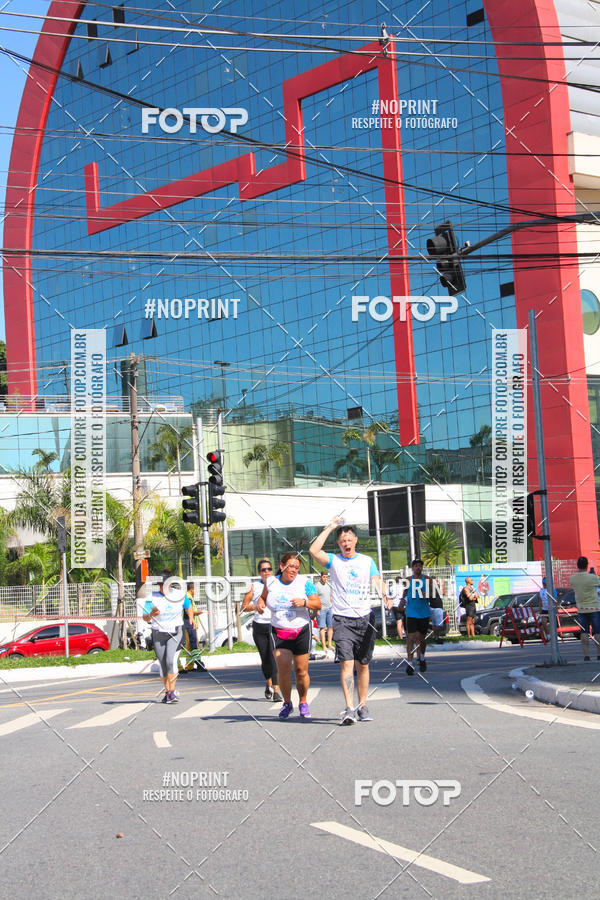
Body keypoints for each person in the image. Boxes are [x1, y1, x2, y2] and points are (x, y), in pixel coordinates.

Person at [310, 518, 388, 726]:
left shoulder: (366, 561)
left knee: (362, 664)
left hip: (365, 618)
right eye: (342, 540)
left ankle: (362, 705)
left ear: (355, 541)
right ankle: (349, 708)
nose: (346, 543)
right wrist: (331, 527)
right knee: (346, 662)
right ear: (339, 544)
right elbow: (314, 550)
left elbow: (377, 580)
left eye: (349, 539)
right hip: (342, 619)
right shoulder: (334, 561)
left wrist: (386, 596)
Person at [258, 553, 320, 719]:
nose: (293, 570)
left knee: (301, 671)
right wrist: (261, 603)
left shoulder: (305, 582)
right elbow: (263, 597)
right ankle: (287, 703)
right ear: (281, 566)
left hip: (301, 629)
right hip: (279, 630)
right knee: (283, 668)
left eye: (296, 567)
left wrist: (305, 602)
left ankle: (303, 702)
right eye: (290, 566)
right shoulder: (271, 581)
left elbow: (317, 603)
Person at [242, 559, 282, 701]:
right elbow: (244, 606)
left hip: (274, 625)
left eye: (269, 569)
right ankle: (268, 683)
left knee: (274, 657)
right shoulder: (254, 586)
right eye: (263, 570)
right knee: (265, 658)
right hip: (259, 626)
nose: (267, 572)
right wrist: (256, 607)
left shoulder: (277, 584)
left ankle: (276, 690)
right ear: (259, 572)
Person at [142, 572, 185, 703]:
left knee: (170, 661)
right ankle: (167, 692)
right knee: (163, 663)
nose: (163, 588)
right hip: (158, 633)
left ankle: (172, 692)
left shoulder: (179, 594)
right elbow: (145, 617)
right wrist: (152, 614)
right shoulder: (152, 597)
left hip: (175, 632)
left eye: (166, 585)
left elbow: (188, 606)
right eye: (161, 585)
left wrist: (191, 620)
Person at [400, 558, 434, 675]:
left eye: (420, 566)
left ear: (422, 568)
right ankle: (410, 663)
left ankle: (422, 658)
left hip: (424, 613)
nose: (418, 568)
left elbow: (435, 594)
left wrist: (428, 594)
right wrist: (402, 602)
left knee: (421, 638)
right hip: (411, 612)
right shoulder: (408, 580)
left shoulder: (428, 580)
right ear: (412, 568)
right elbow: (404, 593)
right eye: (415, 566)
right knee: (410, 638)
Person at [569, 556, 600, 661]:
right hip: (595, 608)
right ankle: (599, 654)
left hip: (581, 609)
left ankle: (586, 656)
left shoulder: (572, 578)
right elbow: (598, 584)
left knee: (584, 632)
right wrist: (593, 575)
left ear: (577, 566)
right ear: (587, 565)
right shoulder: (593, 577)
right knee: (597, 632)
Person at [315, 571, 334, 656]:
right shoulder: (317, 586)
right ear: (321, 577)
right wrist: (317, 609)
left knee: (330, 627)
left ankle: (329, 644)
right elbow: (315, 598)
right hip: (321, 609)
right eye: (324, 577)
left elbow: (330, 596)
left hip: (329, 608)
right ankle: (323, 645)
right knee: (322, 627)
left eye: (326, 577)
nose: (325, 578)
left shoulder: (329, 585)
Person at [391, 576, 405, 640]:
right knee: (405, 621)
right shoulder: (403, 588)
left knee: (399, 622)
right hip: (402, 606)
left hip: (395, 606)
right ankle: (403, 634)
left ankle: (401, 637)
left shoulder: (391, 588)